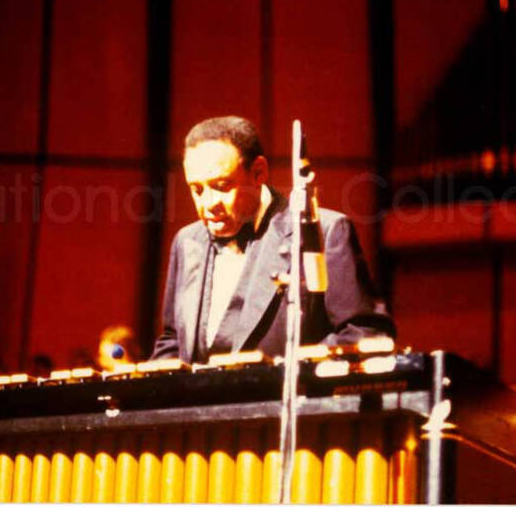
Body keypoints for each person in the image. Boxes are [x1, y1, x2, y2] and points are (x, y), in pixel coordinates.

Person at [150, 116, 395, 364]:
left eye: (222, 186)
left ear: (258, 173)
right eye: (197, 189)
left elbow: (366, 334)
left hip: (290, 399)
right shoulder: (187, 242)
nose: (209, 203)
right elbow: (173, 342)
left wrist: (288, 372)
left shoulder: (324, 232)